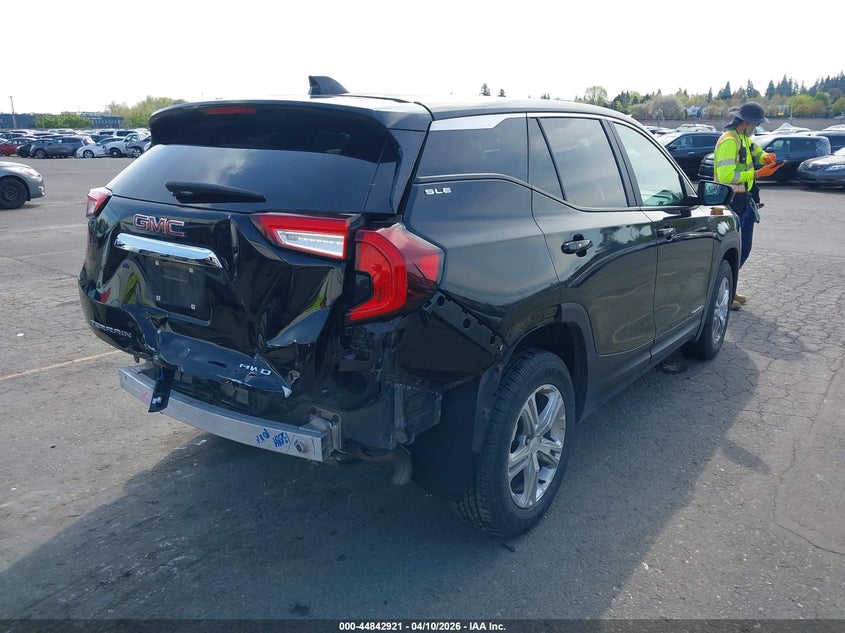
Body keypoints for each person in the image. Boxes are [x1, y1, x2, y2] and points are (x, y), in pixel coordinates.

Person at [713, 102, 782, 310]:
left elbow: (755, 151)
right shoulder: (729, 141)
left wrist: (765, 157)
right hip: (732, 201)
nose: (758, 127)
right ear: (748, 122)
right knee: (737, 250)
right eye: (757, 123)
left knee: (743, 248)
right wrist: (758, 174)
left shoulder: (743, 138)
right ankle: (722, 292)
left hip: (743, 200)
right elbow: (726, 176)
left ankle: (729, 289)